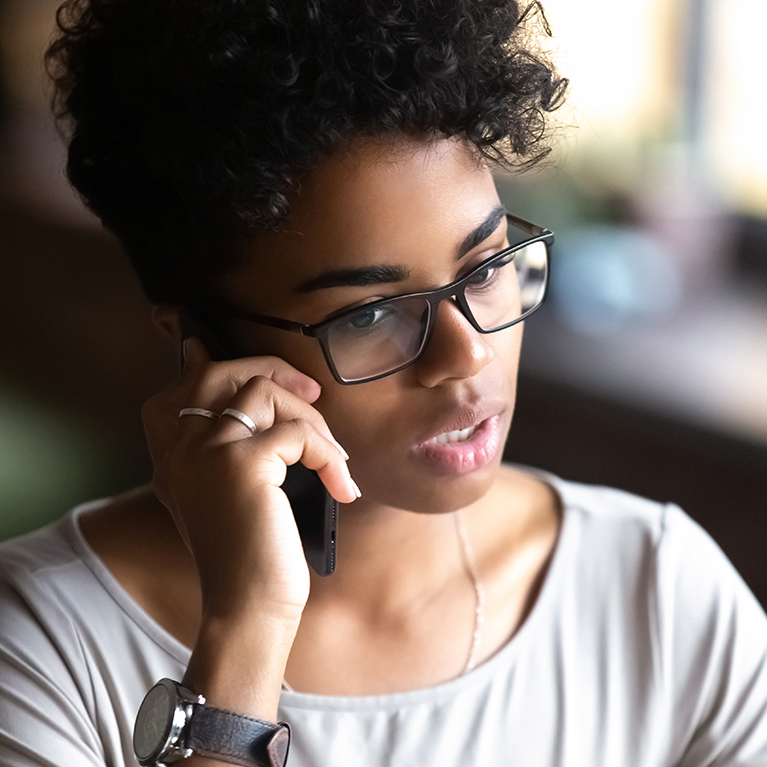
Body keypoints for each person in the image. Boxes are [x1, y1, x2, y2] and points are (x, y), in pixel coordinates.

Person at [1, 0, 766, 765]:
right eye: (370, 315)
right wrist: (247, 626)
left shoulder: (658, 595)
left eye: (488, 267)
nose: (465, 355)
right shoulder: (43, 646)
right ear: (201, 339)